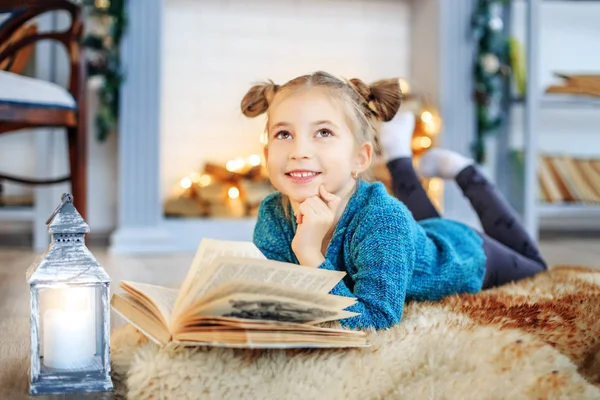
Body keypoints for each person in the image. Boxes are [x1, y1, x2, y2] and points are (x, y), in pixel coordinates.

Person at [241, 71, 547, 331]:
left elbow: (376, 319)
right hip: (415, 234)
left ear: (359, 158)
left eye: (322, 132)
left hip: (464, 253)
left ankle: (464, 172)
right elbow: (280, 293)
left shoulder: (383, 218)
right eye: (283, 134)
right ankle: (400, 156)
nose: (299, 151)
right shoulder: (272, 212)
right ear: (266, 155)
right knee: (419, 224)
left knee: (538, 267)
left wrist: (309, 252)